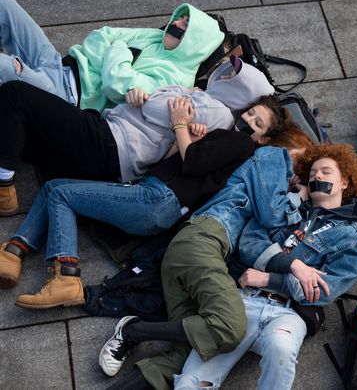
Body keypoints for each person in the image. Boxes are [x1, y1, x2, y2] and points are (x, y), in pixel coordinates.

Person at [0, 97, 293, 310]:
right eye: (250, 112)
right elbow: (172, 160)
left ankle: (65, 274)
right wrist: (188, 135)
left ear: (264, 139)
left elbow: (191, 163)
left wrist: (179, 122)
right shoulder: (229, 144)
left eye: (257, 123)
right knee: (56, 187)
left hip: (157, 199)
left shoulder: (241, 145)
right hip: (156, 199)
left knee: (61, 194)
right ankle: (14, 252)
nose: (248, 121)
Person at [95, 142, 316, 390]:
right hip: (204, 240)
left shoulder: (276, 186)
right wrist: (300, 196)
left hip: (193, 256)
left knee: (187, 356)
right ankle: (134, 331)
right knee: (232, 327)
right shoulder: (275, 155)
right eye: (304, 167)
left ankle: (132, 340)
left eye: (303, 176)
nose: (299, 177)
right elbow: (271, 215)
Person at [173, 143, 357, 389]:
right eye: (311, 174)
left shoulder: (353, 242)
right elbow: (250, 242)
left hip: (289, 313)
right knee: (190, 382)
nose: (317, 176)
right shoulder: (287, 210)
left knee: (282, 347)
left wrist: (269, 279)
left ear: (345, 182)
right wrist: (294, 265)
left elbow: (321, 290)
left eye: (325, 172)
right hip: (244, 301)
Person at [0, 59, 273, 215]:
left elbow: (155, 107)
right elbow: (151, 102)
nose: (225, 73)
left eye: (233, 76)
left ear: (241, 91)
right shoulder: (206, 100)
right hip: (114, 146)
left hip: (113, 143)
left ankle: (3, 189)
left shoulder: (218, 112)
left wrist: (167, 94)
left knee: (16, 94)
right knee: (21, 136)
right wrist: (158, 95)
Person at [0, 0, 224, 111]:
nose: (177, 23)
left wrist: (117, 48)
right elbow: (101, 34)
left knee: (4, 66)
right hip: (59, 63)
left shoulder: (174, 79)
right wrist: (117, 56)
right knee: (4, 3)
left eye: (186, 25)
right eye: (179, 18)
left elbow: (115, 84)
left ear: (195, 42)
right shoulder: (155, 36)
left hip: (67, 94)